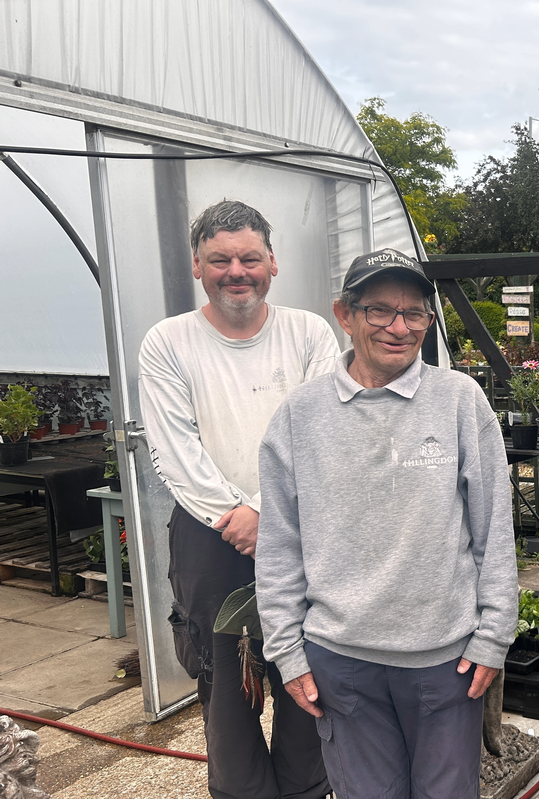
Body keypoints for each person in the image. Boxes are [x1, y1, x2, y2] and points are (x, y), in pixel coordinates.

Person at [255, 248, 518, 799]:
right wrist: (287, 651)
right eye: (378, 311)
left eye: (415, 313)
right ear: (344, 314)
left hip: (446, 663)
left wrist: (493, 636)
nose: (399, 328)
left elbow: (494, 531)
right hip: (342, 664)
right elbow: (280, 546)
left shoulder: (459, 401)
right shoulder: (299, 418)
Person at [139, 200, 337, 799]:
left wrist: (267, 513)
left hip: (302, 527)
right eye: (220, 259)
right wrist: (240, 516)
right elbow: (176, 450)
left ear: (272, 263)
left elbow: (321, 431)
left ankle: (306, 789)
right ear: (197, 266)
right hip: (210, 534)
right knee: (226, 681)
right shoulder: (169, 342)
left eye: (250, 257)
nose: (237, 270)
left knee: (308, 671)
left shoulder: (309, 333)